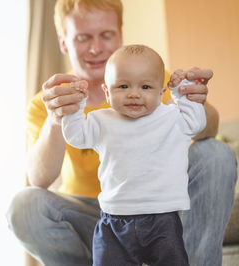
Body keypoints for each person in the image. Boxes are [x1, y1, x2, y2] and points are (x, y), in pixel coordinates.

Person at [7, 1, 238, 265]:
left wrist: (194, 103)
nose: (96, 48)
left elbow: (206, 129)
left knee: (216, 152)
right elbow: (38, 179)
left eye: (106, 35)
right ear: (63, 43)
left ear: (120, 35)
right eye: (83, 38)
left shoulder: (151, 79)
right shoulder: (51, 102)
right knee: (23, 204)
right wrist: (56, 118)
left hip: (160, 212)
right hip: (102, 216)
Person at [62, 44, 205, 265]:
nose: (134, 94)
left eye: (146, 86)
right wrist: (75, 108)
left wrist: (182, 95)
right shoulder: (101, 120)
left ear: (161, 92)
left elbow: (197, 123)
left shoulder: (171, 117)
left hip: (163, 217)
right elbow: (75, 137)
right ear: (107, 92)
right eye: (123, 86)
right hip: (114, 219)